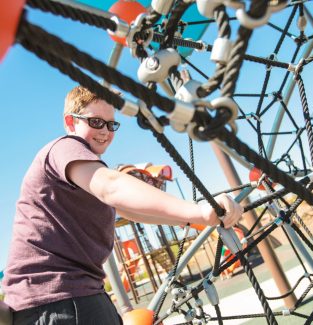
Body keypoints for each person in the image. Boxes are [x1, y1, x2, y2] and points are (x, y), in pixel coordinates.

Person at [2, 86, 243, 324]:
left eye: (111, 124)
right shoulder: (65, 147)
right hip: (58, 300)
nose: (105, 131)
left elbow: (130, 210)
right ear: (71, 122)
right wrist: (197, 210)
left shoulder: (83, 171)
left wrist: (188, 219)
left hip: (61, 299)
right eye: (96, 122)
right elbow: (112, 187)